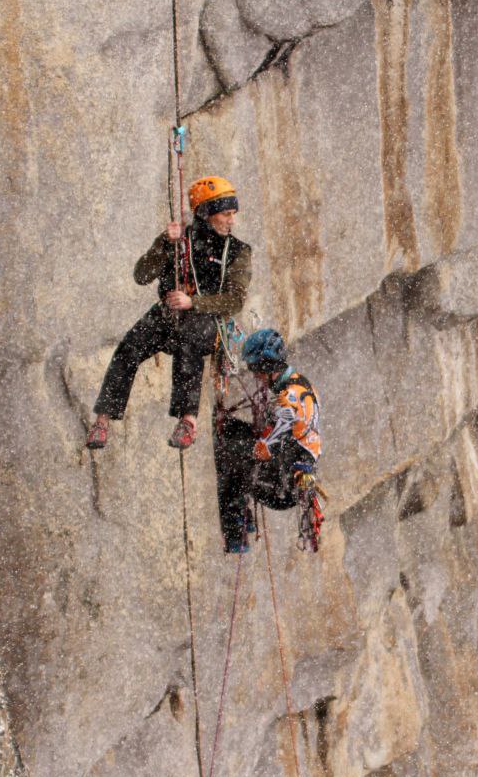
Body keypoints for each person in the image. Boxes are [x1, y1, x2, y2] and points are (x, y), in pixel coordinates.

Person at [85, 176, 251, 450]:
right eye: (226, 214)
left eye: (233, 214)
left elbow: (234, 300)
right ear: (207, 214)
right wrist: (163, 243)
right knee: (129, 347)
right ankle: (103, 420)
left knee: (190, 341)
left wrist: (193, 302)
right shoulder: (178, 238)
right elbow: (141, 275)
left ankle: (188, 421)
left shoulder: (237, 251)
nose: (231, 221)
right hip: (168, 313)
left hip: (207, 321)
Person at [214, 328, 322, 553]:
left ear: (266, 366)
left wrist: (239, 447)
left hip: (280, 487)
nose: (254, 374)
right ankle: (244, 519)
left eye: (255, 368)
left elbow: (263, 449)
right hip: (285, 471)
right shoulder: (299, 382)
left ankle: (237, 534)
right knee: (232, 430)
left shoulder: (288, 398)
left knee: (224, 454)